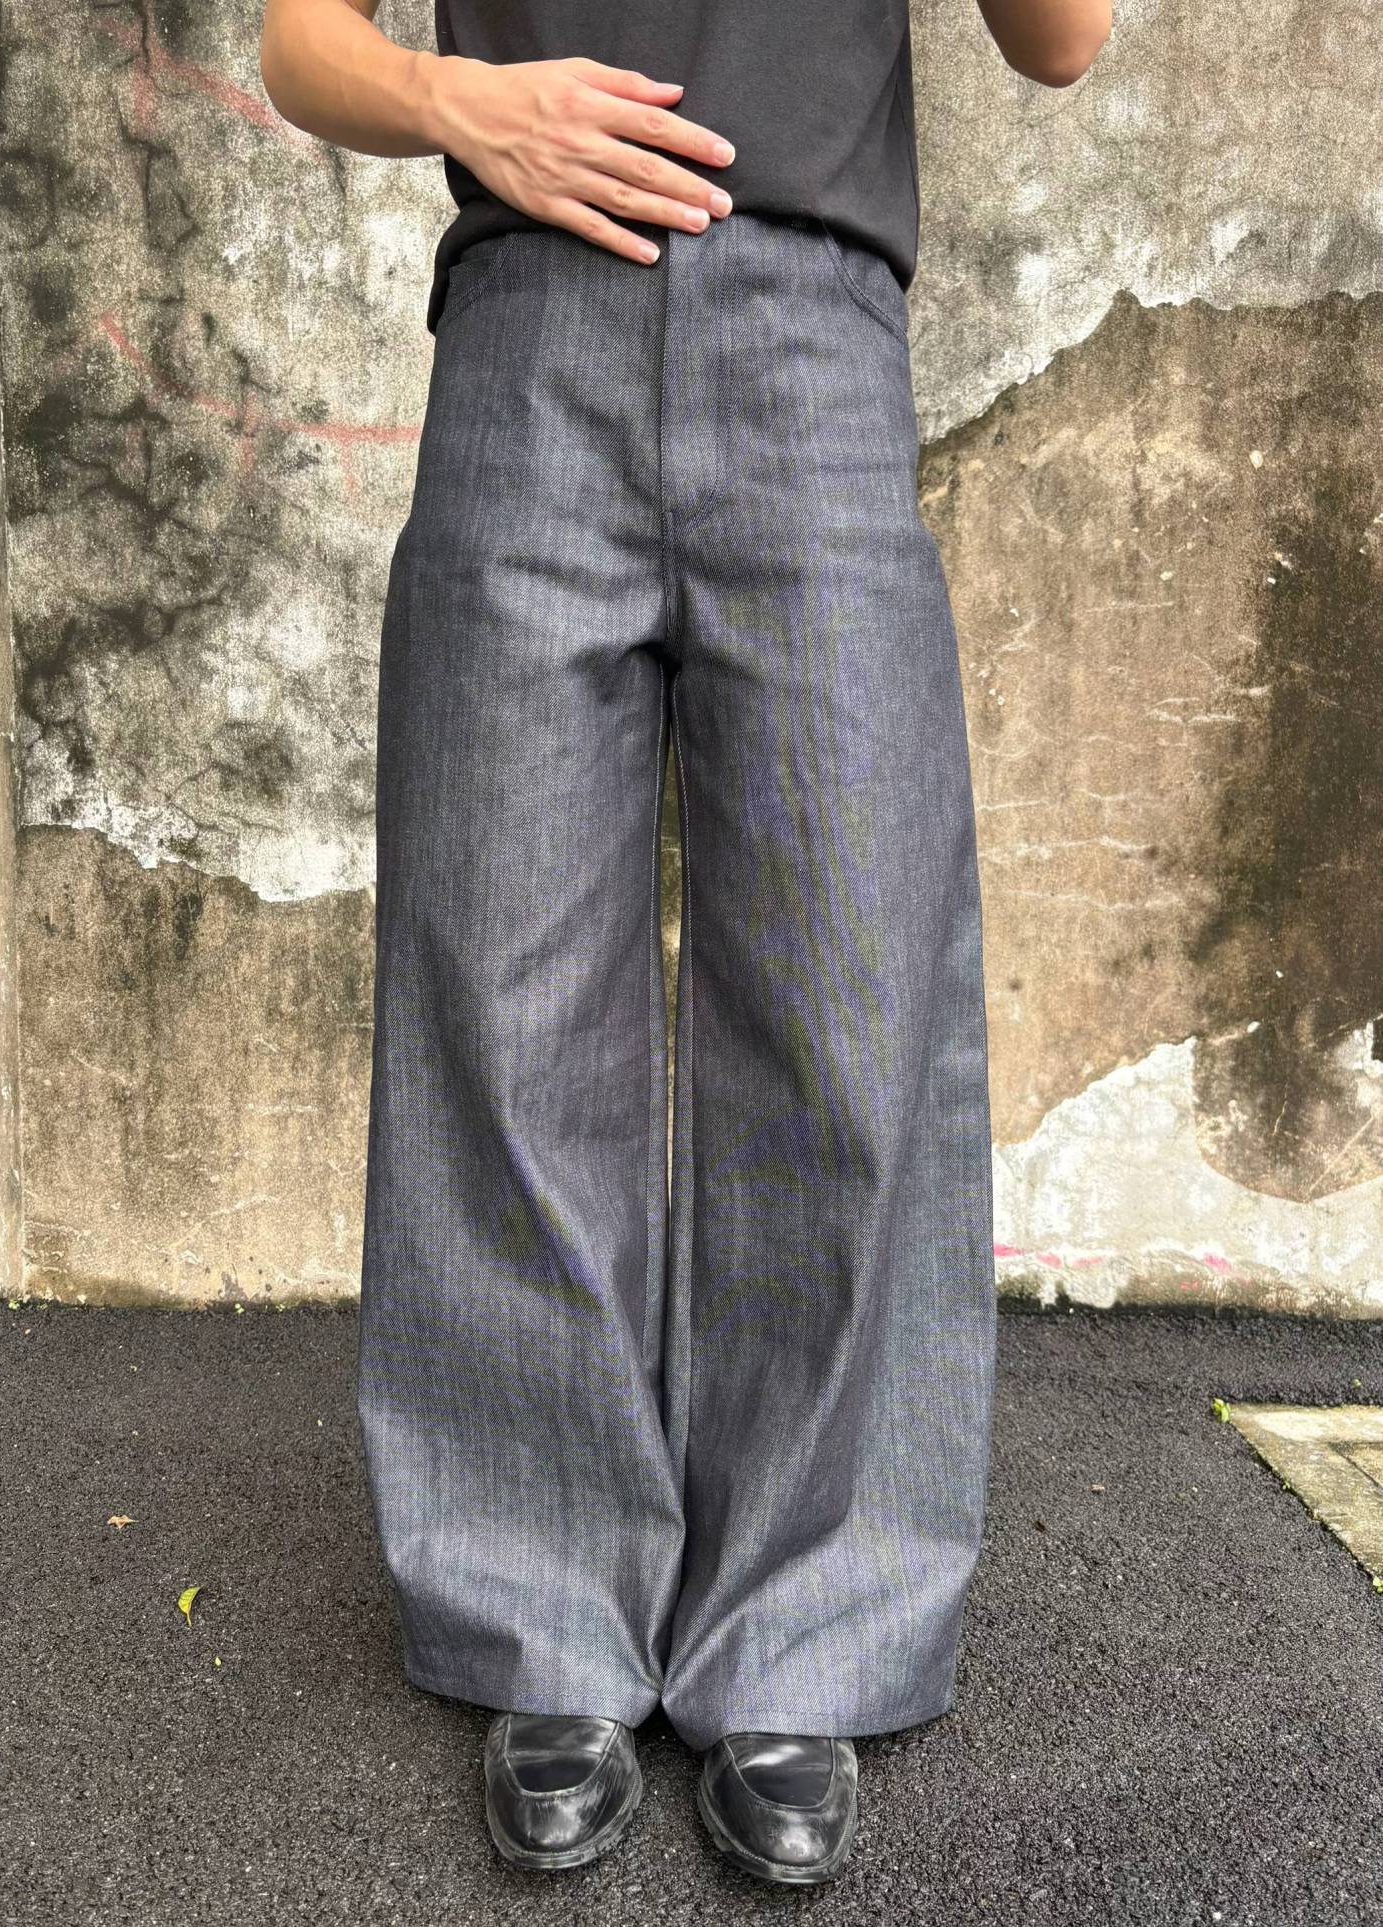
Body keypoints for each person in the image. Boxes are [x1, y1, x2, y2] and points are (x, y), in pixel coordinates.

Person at [261, 0, 1110, 1886]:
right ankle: (538, 1610)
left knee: (846, 993)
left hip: (815, 337)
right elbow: (299, 41)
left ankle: (807, 1626)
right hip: (526, 332)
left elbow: (1060, 42)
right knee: (500, 988)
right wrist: (457, 102)